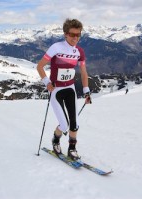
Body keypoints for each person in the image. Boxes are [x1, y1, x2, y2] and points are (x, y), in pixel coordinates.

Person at [37, 18, 91, 160]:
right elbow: (39, 66)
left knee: (74, 123)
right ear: (65, 34)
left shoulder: (80, 51)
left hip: (70, 89)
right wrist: (47, 83)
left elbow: (84, 72)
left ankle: (72, 149)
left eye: (78, 35)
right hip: (56, 90)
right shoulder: (56, 47)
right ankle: (55, 140)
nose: (75, 38)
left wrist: (86, 91)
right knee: (64, 124)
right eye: (72, 34)